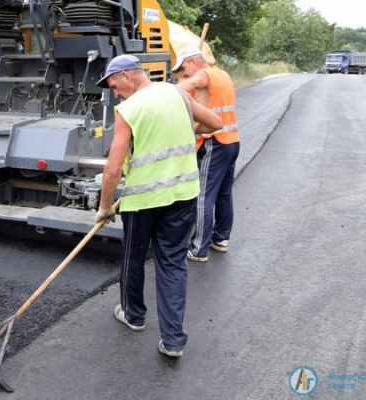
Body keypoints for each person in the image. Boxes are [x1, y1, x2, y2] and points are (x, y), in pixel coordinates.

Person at [95, 55, 223, 357]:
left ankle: (133, 315)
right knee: (173, 263)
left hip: (142, 200)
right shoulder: (176, 92)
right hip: (182, 195)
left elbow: (113, 168)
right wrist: (182, 130)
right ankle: (174, 340)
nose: (115, 92)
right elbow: (215, 123)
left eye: (115, 85)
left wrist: (104, 206)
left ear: (127, 77)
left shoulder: (128, 109)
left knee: (133, 256)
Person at [173, 46, 240, 263]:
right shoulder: (223, 75)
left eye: (184, 69)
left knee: (203, 196)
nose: (184, 75)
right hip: (231, 140)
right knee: (223, 194)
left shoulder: (203, 75)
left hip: (214, 142)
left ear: (193, 61)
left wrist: (164, 93)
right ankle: (220, 239)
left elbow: (189, 85)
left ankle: (198, 248)